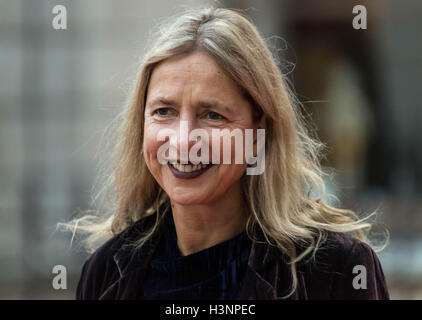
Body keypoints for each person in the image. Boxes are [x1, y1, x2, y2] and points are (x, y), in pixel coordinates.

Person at [70, 7, 389, 300]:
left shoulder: (337, 270)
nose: (183, 142)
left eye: (212, 115)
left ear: (258, 131)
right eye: (164, 111)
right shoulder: (107, 272)